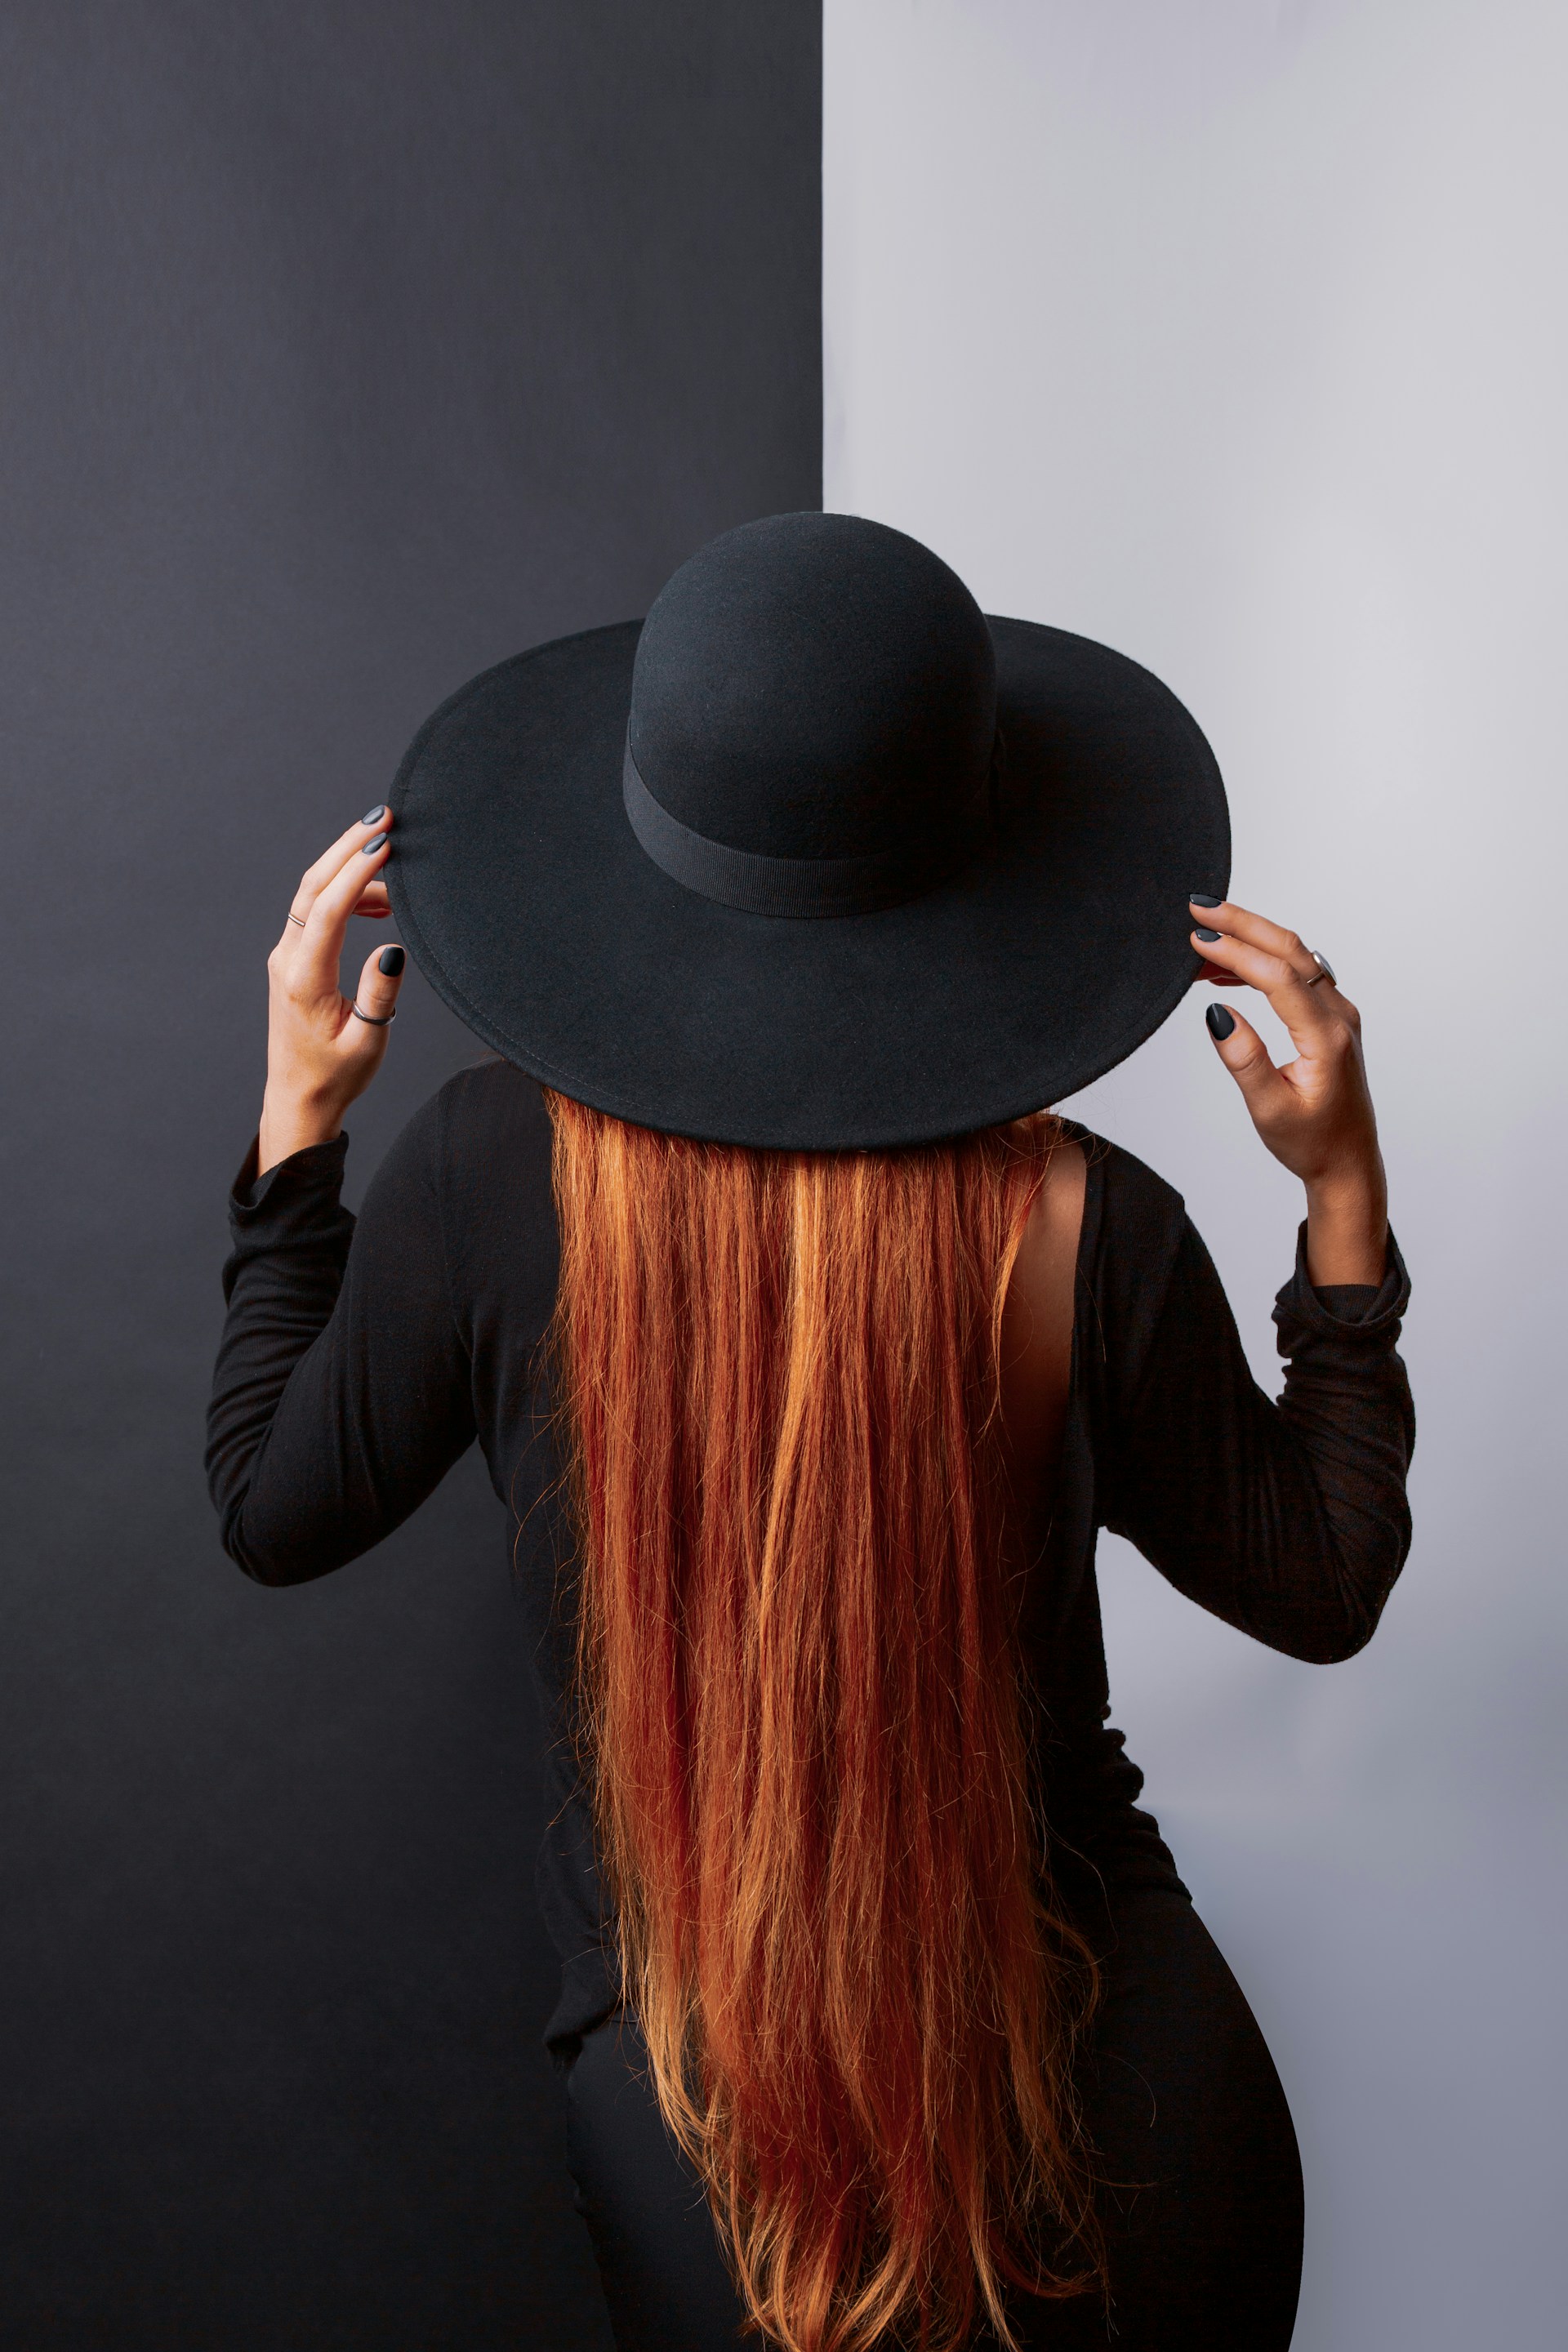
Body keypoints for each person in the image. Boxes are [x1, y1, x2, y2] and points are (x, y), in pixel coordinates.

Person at [207, 514, 1412, 2352]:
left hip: (715, 2147)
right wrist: (1341, 1195)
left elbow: (269, 1509)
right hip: (1145, 2120)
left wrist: (298, 1127)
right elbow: (1323, 1583)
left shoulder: (474, 1175)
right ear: (987, 847)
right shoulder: (1095, 1220)